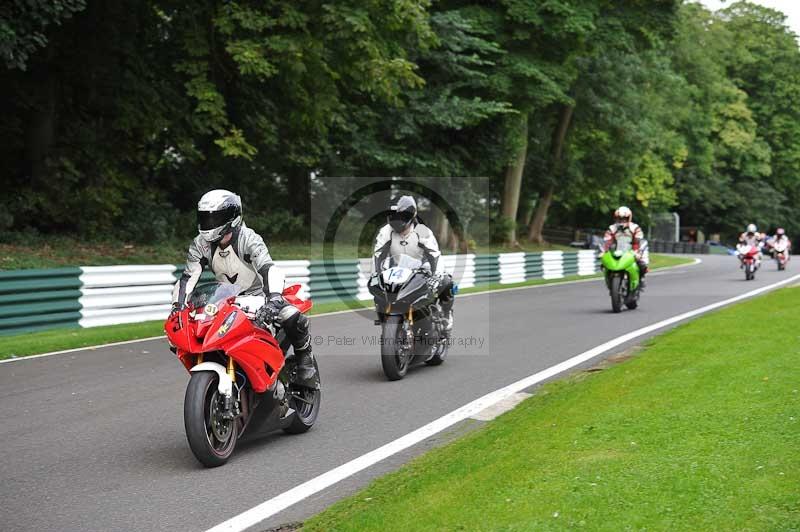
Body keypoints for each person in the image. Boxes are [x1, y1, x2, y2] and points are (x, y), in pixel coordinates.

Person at [171, 189, 315, 381]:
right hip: (226, 298)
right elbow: (188, 277)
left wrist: (274, 298)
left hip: (260, 296)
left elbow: (267, 268)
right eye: (205, 218)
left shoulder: (249, 239)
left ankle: (305, 357)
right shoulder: (200, 244)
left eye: (215, 218)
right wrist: (178, 306)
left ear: (232, 218)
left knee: (291, 315)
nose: (209, 223)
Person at [372, 195, 454, 335]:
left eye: (401, 215)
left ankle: (446, 314)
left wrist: (436, 275)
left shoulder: (422, 230)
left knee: (446, 282)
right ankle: (386, 323)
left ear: (412, 215)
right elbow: (378, 255)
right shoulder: (386, 231)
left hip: (424, 270)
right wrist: (377, 275)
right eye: (393, 215)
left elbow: (435, 255)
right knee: (379, 293)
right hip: (398, 271)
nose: (397, 219)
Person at [602, 206, 650, 284]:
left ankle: (641, 279)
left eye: (624, 219)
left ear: (628, 218)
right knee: (603, 263)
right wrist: (605, 251)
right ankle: (609, 279)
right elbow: (607, 241)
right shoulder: (612, 228)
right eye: (619, 218)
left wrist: (638, 252)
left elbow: (639, 240)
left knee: (642, 264)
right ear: (616, 218)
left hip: (632, 250)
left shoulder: (635, 227)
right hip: (616, 251)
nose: (621, 221)